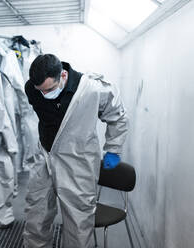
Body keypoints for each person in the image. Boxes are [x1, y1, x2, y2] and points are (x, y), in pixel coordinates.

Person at [23, 54, 128, 248]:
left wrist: (113, 149)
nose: (45, 94)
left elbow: (118, 117)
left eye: (50, 90)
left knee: (78, 219)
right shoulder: (32, 89)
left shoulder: (92, 90)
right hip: (46, 155)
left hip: (78, 160)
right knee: (36, 211)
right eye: (41, 91)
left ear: (63, 75)